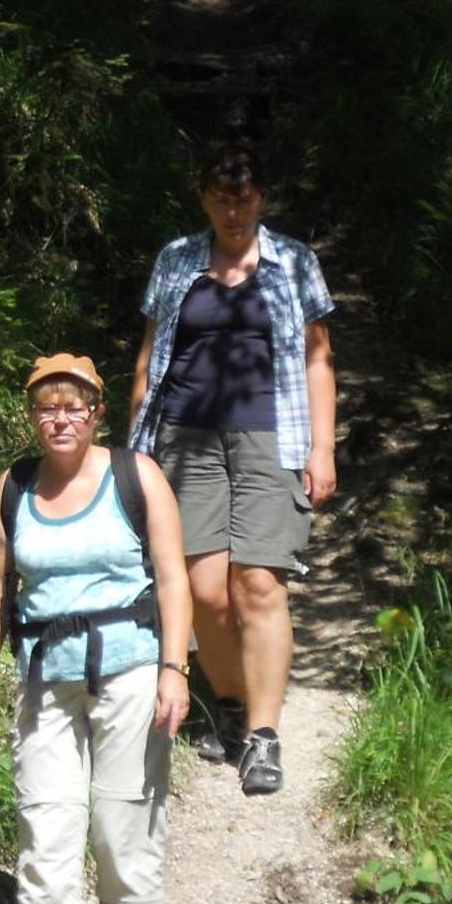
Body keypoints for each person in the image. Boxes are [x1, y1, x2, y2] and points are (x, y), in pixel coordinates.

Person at [0, 355, 192, 904]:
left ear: (97, 412)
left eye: (73, 407)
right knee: (46, 822)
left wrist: (174, 668)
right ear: (32, 417)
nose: (59, 419)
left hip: (130, 667)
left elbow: (172, 575)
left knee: (124, 817)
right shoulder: (16, 486)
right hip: (45, 677)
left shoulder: (137, 476)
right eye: (46, 408)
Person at [129, 145, 336, 796]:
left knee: (259, 585)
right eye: (221, 194)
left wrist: (323, 448)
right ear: (203, 198)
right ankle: (229, 702)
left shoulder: (294, 262)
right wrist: (135, 449)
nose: (233, 207)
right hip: (184, 439)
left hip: (272, 439)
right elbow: (146, 358)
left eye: (244, 195)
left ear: (262, 199)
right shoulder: (176, 261)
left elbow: (318, 359)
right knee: (205, 591)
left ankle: (264, 737)